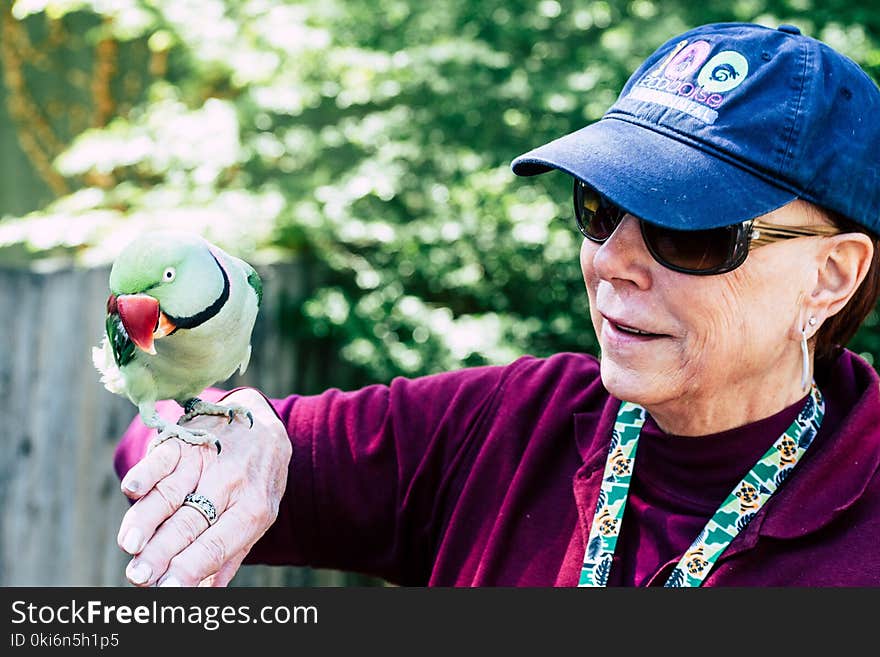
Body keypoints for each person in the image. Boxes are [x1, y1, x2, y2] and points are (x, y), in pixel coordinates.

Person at [113, 22, 880, 587]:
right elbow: (144, 446)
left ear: (832, 276)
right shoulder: (507, 427)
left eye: (694, 231)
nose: (610, 258)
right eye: (599, 205)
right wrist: (232, 435)